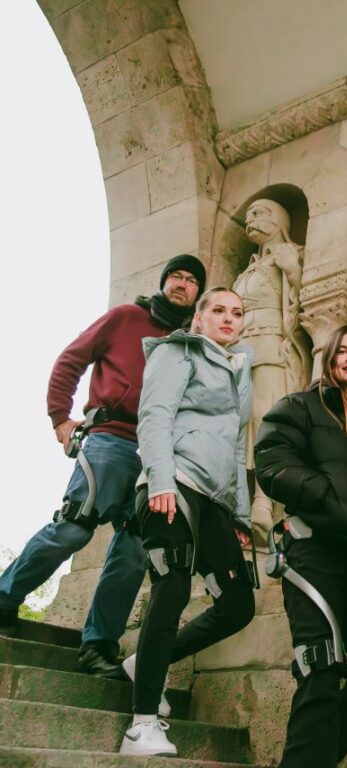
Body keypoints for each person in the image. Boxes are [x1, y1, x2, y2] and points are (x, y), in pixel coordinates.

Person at [0, 254, 205, 679]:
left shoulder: (190, 344)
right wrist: (60, 417)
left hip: (157, 458)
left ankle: (98, 645)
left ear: (197, 293)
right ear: (164, 282)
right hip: (111, 440)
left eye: (191, 280)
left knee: (133, 552)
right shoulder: (125, 318)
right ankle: (5, 596)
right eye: (175, 276)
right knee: (74, 527)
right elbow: (71, 359)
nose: (181, 284)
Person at [119, 288, 256, 757]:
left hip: (214, 500)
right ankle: (141, 726)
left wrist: (239, 512)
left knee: (238, 604)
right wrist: (159, 479)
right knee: (173, 586)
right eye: (218, 310)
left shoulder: (239, 368)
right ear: (198, 319)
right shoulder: (176, 351)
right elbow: (154, 415)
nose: (228, 318)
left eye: (237, 313)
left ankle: (146, 663)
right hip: (172, 482)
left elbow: (235, 447)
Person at [255, 324, 347, 768]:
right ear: (329, 359)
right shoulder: (298, 408)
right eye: (343, 351)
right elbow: (271, 463)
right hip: (313, 553)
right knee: (320, 668)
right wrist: (325, 495)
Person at [233, 198, 312, 541]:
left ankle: (264, 501)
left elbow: (305, 300)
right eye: (247, 214)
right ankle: (242, 501)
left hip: (271, 347)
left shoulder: (292, 253)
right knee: (241, 424)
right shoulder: (246, 271)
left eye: (258, 213)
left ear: (279, 219)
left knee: (266, 419)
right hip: (239, 355)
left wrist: (293, 269)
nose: (249, 219)